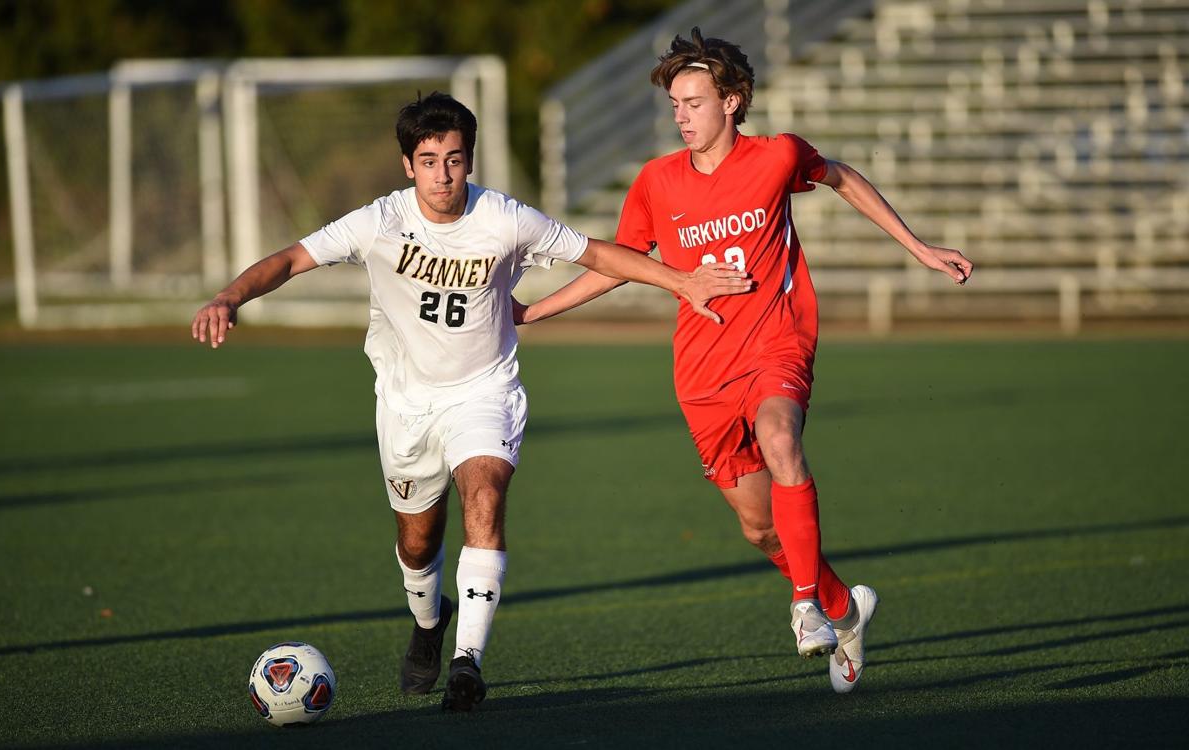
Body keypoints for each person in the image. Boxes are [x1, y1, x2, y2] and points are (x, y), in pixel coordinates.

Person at [191, 92, 749, 711]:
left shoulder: (503, 217)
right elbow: (292, 258)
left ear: (471, 160)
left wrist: (681, 279)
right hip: (405, 401)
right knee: (417, 544)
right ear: (408, 165)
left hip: (485, 389)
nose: (442, 174)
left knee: (484, 493)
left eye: (454, 159)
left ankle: (467, 662)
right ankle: (430, 622)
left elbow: (595, 252)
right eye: (428, 160)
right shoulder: (379, 221)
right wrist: (228, 297)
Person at [515, 29, 974, 694]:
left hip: (775, 343)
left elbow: (840, 176)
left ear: (732, 101)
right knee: (760, 528)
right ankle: (843, 607)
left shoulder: (778, 157)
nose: (681, 115)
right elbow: (618, 264)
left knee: (781, 438)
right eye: (674, 103)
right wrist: (533, 312)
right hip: (701, 372)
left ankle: (805, 605)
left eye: (694, 101)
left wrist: (920, 247)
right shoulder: (655, 182)